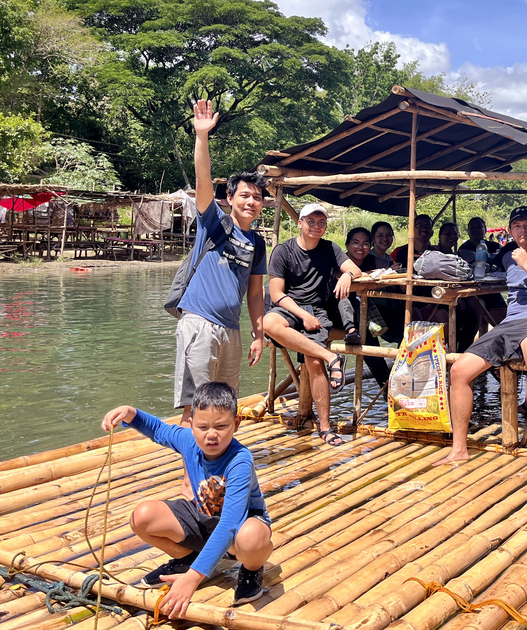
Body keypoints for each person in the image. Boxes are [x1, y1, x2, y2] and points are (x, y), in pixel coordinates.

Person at [100, 382, 272, 617]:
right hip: (203, 518)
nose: (211, 434)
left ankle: (251, 569)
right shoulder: (189, 441)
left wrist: (194, 577)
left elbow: (231, 523)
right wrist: (130, 413)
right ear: (191, 426)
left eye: (221, 426)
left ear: (236, 424)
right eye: (203, 427)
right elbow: (158, 430)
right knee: (142, 517)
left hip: (241, 527)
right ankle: (185, 557)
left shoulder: (240, 460)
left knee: (251, 537)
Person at [174, 100, 267, 499]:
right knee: (194, 410)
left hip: (230, 331)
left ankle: (216, 479)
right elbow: (203, 178)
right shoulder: (215, 223)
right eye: (244, 195)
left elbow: (256, 291)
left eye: (257, 197)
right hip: (198, 324)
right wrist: (202, 136)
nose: (250, 202)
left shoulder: (257, 241)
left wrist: (259, 334)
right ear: (230, 197)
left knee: (224, 409)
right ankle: (188, 484)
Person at [433, 206, 527, 480]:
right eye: (517, 226)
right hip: (510, 322)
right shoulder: (507, 257)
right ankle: (459, 448)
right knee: (458, 371)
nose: (523, 230)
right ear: (510, 231)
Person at [264, 203, 364, 446]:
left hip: (318, 310)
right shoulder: (283, 251)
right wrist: (302, 315)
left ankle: (326, 428)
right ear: (300, 223)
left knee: (313, 361)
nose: (316, 226)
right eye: (311, 222)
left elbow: (355, 268)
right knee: (269, 322)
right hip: (289, 307)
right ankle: (333, 359)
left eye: (321, 222)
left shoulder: (330, 248)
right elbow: (276, 293)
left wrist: (347, 276)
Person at [329, 227, 393, 386]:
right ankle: (350, 331)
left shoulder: (371, 260)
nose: (360, 247)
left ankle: (386, 387)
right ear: (347, 245)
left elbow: (387, 271)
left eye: (365, 243)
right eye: (355, 243)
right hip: (334, 313)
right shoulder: (339, 261)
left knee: (369, 342)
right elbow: (339, 277)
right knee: (348, 293)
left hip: (361, 318)